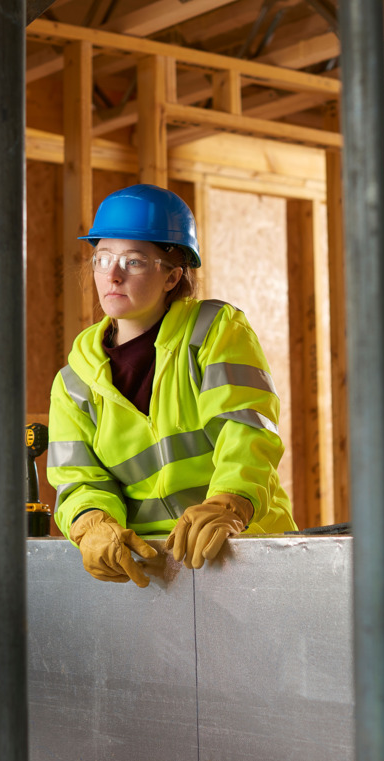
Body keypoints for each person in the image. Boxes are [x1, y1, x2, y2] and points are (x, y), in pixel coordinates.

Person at [47, 184, 296, 587]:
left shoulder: (214, 331)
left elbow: (246, 429)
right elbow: (79, 481)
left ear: (172, 276)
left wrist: (229, 503)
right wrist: (92, 524)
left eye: (134, 261)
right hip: (152, 572)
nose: (112, 274)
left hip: (246, 556)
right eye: (102, 258)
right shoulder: (73, 383)